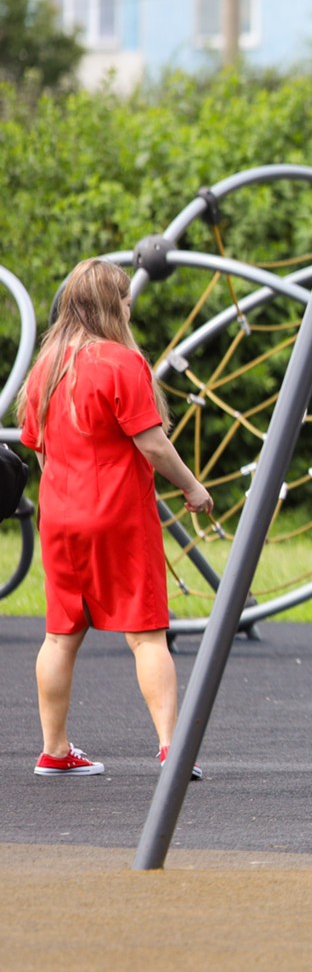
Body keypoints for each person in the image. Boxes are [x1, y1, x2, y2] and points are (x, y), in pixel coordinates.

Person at [16, 258, 214, 778]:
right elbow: (151, 443)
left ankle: (54, 750)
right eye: (126, 301)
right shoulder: (123, 363)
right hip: (119, 515)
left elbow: (41, 450)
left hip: (60, 515)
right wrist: (192, 488)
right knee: (147, 635)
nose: (130, 309)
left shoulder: (46, 366)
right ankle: (173, 748)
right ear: (112, 306)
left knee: (59, 636)